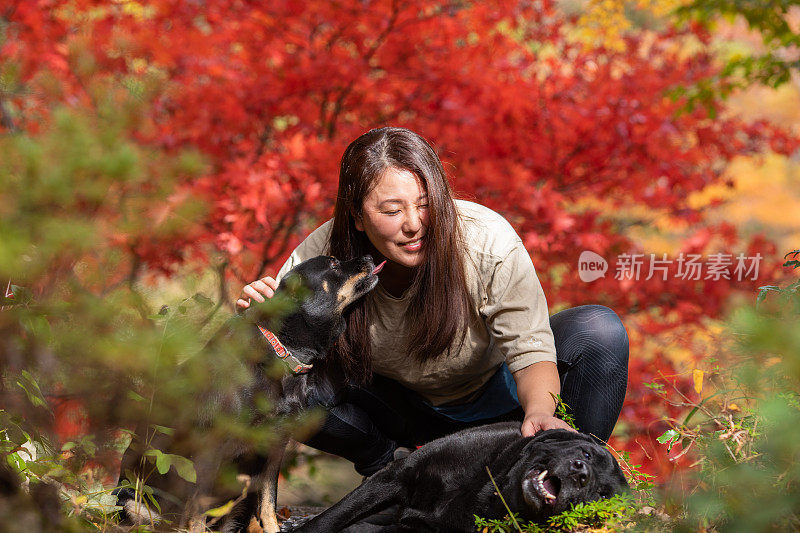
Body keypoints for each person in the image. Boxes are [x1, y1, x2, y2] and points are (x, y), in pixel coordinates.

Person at [237, 127, 628, 476]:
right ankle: (390, 475)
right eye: (391, 210)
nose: (414, 223)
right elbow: (277, 351)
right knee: (281, 384)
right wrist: (258, 320)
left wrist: (541, 411)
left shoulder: (486, 241)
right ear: (357, 216)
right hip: (395, 414)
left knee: (597, 330)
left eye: (425, 203)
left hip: (502, 405)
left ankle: (579, 478)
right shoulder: (325, 259)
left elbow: (530, 347)